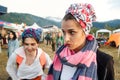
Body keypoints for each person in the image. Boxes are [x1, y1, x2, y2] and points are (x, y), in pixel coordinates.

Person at [46, 3, 114, 80]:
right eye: (64, 32)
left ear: (85, 32)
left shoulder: (104, 62)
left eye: (72, 32)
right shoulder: (60, 55)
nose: (66, 39)